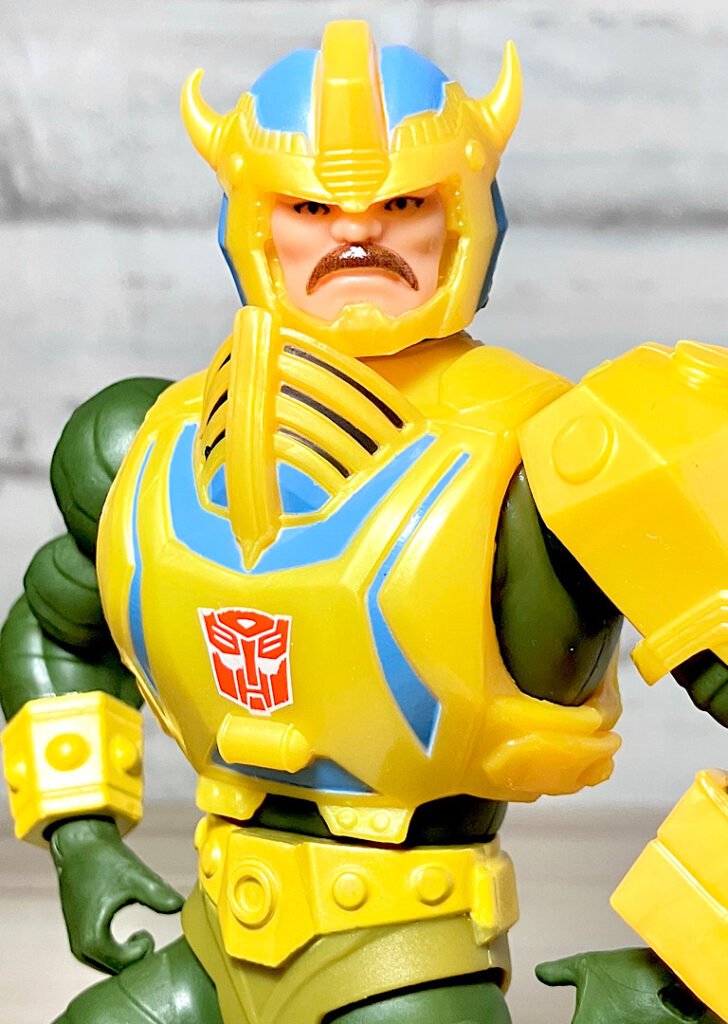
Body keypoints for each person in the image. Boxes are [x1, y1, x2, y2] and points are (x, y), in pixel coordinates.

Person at [1, 19, 725, 1024]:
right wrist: (81, 834)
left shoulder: (561, 457)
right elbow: (58, 629)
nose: (359, 235)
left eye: (402, 204)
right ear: (255, 223)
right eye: (311, 206)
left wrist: (689, 976)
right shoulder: (141, 445)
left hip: (410, 961)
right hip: (212, 941)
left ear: (464, 214)